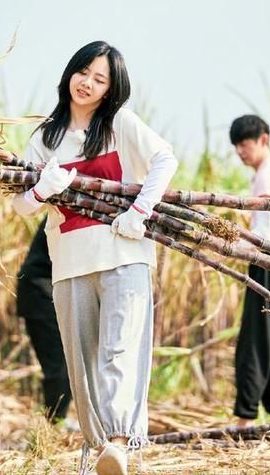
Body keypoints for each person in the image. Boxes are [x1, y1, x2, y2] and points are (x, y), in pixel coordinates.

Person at [13, 41, 178, 475]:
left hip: (125, 256)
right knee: (82, 362)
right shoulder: (45, 138)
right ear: (70, 73)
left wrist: (139, 212)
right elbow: (20, 206)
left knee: (119, 350)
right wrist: (41, 190)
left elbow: (164, 158)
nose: (86, 83)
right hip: (69, 263)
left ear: (110, 89)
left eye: (99, 79)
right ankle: (101, 449)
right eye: (82, 72)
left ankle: (120, 444)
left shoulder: (119, 124)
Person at [229, 114, 270, 428]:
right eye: (236, 146)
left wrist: (241, 249)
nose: (240, 151)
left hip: (269, 263)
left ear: (263, 140)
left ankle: (244, 417)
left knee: (255, 339)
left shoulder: (268, 175)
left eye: (245, 143)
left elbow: (264, 231)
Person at [16, 218, 73, 424]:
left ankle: (59, 419)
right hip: (40, 292)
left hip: (45, 291)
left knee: (67, 362)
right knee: (59, 362)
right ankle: (55, 424)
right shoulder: (61, 214)